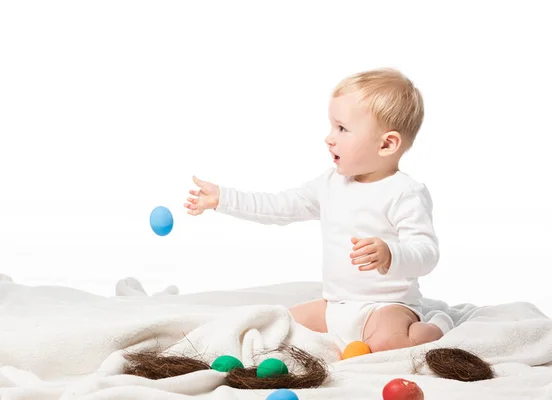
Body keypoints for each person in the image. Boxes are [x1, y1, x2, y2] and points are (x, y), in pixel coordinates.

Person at [183, 68, 453, 353]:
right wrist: (223, 199)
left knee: (389, 342)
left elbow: (427, 252)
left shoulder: (404, 192)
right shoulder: (330, 184)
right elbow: (279, 206)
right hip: (335, 306)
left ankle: (437, 325)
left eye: (342, 129)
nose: (329, 138)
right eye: (332, 127)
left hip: (387, 307)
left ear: (387, 144)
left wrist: (390, 254)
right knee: (280, 323)